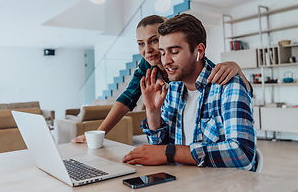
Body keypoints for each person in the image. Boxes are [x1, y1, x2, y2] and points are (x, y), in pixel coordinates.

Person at [72, 15, 252, 144]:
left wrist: (237, 70)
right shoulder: (148, 68)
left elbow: (228, 86)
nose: (147, 50)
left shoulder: (195, 69)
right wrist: (99, 133)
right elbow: (128, 98)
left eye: (154, 41)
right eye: (141, 44)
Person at [122, 13, 256, 171]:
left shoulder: (228, 85)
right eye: (163, 52)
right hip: (182, 180)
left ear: (199, 50)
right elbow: (158, 150)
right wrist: (152, 112)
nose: (166, 61)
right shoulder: (173, 90)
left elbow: (242, 154)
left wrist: (170, 153)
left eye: (174, 52)